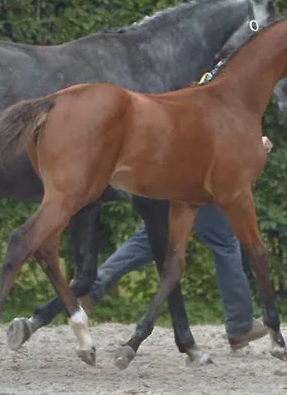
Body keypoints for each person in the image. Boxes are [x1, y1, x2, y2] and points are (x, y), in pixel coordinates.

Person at [80, 135, 274, 350]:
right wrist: (251, 143)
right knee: (225, 244)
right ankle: (240, 326)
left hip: (169, 167)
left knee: (151, 238)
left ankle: (91, 290)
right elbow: (216, 125)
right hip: (200, 173)